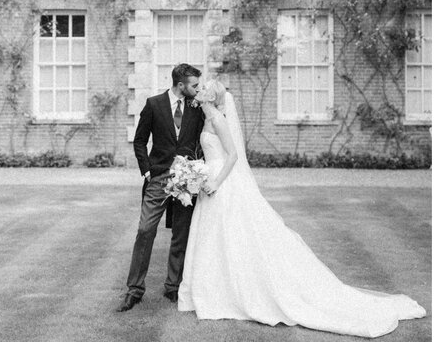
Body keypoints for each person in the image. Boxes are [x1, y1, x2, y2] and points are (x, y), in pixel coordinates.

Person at [178, 80, 427, 337]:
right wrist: (198, 174)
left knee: (232, 235)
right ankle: (215, 290)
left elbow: (233, 156)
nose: (198, 90)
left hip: (223, 184)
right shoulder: (207, 118)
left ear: (211, 97)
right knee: (214, 237)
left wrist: (216, 182)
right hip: (210, 181)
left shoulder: (218, 119)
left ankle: (232, 293)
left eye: (203, 88)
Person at [118, 63, 205, 312]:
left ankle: (173, 287)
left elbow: (201, 141)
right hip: (158, 178)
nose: (197, 90)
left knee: (181, 233)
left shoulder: (196, 107)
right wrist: (147, 170)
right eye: (194, 85)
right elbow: (140, 140)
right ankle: (134, 290)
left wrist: (198, 171)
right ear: (181, 85)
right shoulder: (154, 104)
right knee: (145, 230)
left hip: (187, 180)